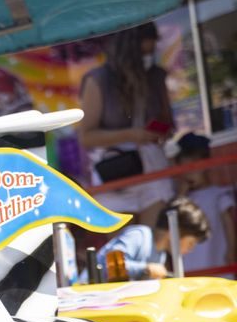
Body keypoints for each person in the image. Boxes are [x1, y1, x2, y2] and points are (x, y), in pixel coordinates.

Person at [79, 22, 174, 226]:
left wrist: (157, 130)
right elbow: (86, 136)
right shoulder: (98, 80)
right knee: (122, 249)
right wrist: (131, 135)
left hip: (153, 168)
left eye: (151, 51)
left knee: (153, 244)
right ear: (129, 48)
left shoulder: (156, 76)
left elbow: (169, 123)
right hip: (115, 170)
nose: (148, 58)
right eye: (143, 52)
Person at [94, 197, 209, 281]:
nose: (191, 249)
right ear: (174, 231)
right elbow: (109, 265)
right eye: (190, 243)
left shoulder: (160, 257)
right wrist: (146, 268)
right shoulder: (139, 235)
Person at [174, 133, 235, 277]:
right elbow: (171, 222)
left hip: (216, 256)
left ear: (206, 166)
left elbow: (228, 224)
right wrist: (181, 195)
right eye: (185, 170)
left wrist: (231, 250)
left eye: (194, 169)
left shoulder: (217, 194)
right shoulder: (181, 199)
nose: (190, 175)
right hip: (192, 262)